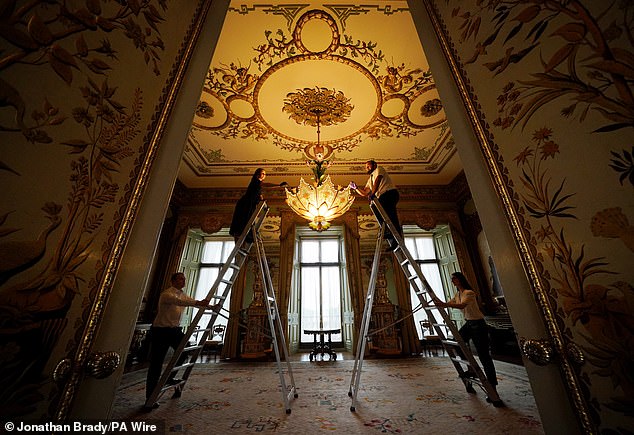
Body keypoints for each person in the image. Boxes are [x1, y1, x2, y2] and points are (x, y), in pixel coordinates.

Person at [145, 272, 214, 409]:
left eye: (184, 279)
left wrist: (212, 307)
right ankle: (150, 396)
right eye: (180, 279)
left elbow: (192, 302)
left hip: (174, 330)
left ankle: (169, 377)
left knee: (184, 351)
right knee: (156, 363)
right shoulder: (167, 294)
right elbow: (182, 302)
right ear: (173, 281)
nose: (183, 281)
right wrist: (198, 302)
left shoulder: (182, 294)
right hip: (161, 331)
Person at [434, 271, 498, 390]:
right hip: (469, 323)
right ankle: (471, 368)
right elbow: (450, 302)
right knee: (458, 343)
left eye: (454, 278)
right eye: (451, 279)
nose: (452, 281)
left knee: (484, 355)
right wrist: (439, 303)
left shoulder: (469, 293)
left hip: (478, 324)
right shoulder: (458, 294)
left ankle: (492, 384)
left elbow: (462, 305)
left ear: (460, 279)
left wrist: (446, 305)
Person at [350, 160, 402, 250]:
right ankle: (391, 237)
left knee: (391, 215)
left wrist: (373, 194)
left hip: (390, 194)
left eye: (368, 166)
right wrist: (356, 188)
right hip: (383, 197)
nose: (367, 168)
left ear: (374, 165)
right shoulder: (370, 179)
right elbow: (365, 192)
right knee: (381, 211)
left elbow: (378, 180)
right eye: (366, 167)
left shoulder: (379, 169)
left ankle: (394, 235)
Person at [229, 168, 287, 243]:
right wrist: (278, 185)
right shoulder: (256, 182)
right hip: (245, 204)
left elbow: (259, 194)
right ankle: (238, 245)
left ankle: (240, 246)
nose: (263, 175)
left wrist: (262, 200)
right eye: (262, 173)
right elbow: (265, 185)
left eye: (265, 174)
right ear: (257, 174)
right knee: (241, 225)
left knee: (246, 225)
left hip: (250, 205)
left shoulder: (257, 185)